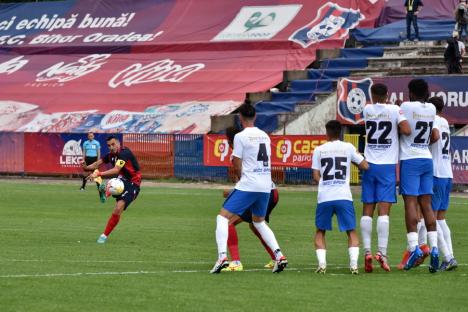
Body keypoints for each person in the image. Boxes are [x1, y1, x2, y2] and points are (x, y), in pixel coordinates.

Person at [210, 102, 287, 274]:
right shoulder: (265, 136)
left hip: (250, 183)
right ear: (255, 117)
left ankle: (223, 257)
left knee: (222, 218)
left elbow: (236, 163)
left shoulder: (240, 137)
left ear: (240, 118)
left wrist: (241, 180)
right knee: (258, 222)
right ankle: (279, 255)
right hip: (266, 185)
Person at [360, 83, 411, 273]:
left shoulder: (367, 109)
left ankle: (366, 252)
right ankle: (381, 253)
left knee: (367, 209)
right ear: (387, 95)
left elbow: (375, 108)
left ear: (372, 95)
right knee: (384, 211)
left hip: (369, 164)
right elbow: (406, 130)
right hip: (387, 166)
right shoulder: (394, 109)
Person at [312, 120, 369, 275]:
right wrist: (355, 161)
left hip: (325, 196)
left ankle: (322, 264)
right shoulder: (348, 147)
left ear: (327, 132)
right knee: (351, 231)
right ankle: (354, 265)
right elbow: (365, 166)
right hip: (343, 195)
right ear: (341, 133)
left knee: (320, 231)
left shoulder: (319, 150)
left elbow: (316, 175)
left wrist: (325, 183)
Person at [221, 126, 279, 272]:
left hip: (256, 191)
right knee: (256, 225)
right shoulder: (254, 143)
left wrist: (233, 192)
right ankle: (276, 257)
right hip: (271, 191)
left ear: (229, 142)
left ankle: (235, 262)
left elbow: (245, 181)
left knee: (228, 222)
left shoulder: (237, 155)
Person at [399, 79, 440, 273]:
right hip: (426, 158)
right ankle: (434, 249)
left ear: (412, 93)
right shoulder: (431, 108)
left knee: (410, 204)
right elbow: (433, 134)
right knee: (427, 205)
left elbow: (403, 126)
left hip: (410, 159)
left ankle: (414, 248)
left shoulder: (406, 106)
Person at [82, 135, 142, 244]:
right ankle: (105, 194)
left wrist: (98, 174)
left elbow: (116, 169)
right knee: (114, 183)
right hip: (122, 180)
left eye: (113, 144)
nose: (111, 147)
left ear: (118, 143)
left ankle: (104, 235)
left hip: (133, 183)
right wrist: (86, 167)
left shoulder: (124, 153)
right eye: (109, 145)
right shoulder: (110, 156)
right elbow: (96, 164)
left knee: (118, 208)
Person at [428, 96, 458, 271]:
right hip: (447, 173)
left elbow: (435, 136)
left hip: (436, 173)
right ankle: (451, 256)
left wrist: (423, 143)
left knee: (431, 217)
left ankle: (448, 257)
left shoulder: (434, 120)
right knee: (440, 218)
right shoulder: (445, 121)